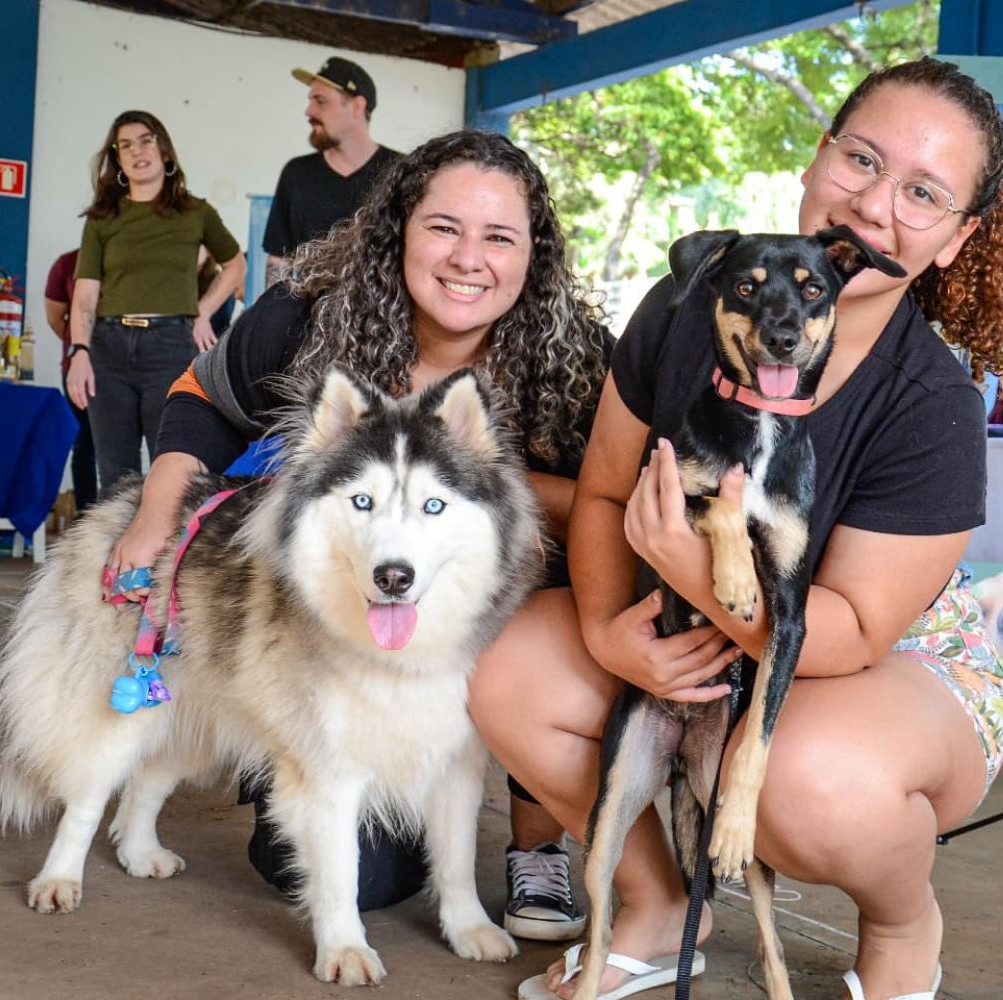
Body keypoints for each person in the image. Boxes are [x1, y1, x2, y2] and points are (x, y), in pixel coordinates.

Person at [471, 57, 1003, 1000]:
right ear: (818, 158)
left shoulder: (931, 402)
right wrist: (609, 633)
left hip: (886, 658)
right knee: (507, 670)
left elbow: (851, 630)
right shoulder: (690, 306)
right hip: (710, 620)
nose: (875, 202)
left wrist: (689, 567)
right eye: (862, 160)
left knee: (802, 781)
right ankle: (657, 905)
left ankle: (903, 925)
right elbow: (605, 495)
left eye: (922, 192)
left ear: (956, 237)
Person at [103, 130, 611, 924]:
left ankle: (536, 844)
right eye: (444, 227)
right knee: (350, 875)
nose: (468, 258)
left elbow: (611, 501)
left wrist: (498, 491)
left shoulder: (579, 358)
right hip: (342, 624)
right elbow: (202, 397)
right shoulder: (310, 314)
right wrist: (155, 514)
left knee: (544, 625)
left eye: (499, 237)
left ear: (534, 254)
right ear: (399, 227)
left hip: (502, 613)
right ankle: (296, 749)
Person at [65, 110, 245, 496]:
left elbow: (235, 265)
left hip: (170, 347)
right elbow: (85, 293)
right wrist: (79, 351)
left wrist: (203, 312)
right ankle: (116, 540)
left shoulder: (196, 212)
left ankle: (166, 539)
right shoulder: (102, 219)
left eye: (146, 140)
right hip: (108, 348)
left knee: (174, 466)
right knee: (114, 475)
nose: (137, 151)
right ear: (117, 159)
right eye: (125, 145)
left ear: (164, 149)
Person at [263, 57, 400, 289]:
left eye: (320, 101)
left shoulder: (400, 172)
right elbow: (279, 261)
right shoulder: (297, 173)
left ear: (357, 106)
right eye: (310, 101)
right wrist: (273, 308)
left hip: (380, 310)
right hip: (308, 310)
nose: (309, 111)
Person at [44, 249, 99, 511]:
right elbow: (56, 318)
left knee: (120, 445)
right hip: (78, 369)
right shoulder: (67, 264)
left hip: (124, 367)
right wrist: (79, 349)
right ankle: (85, 515)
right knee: (84, 443)